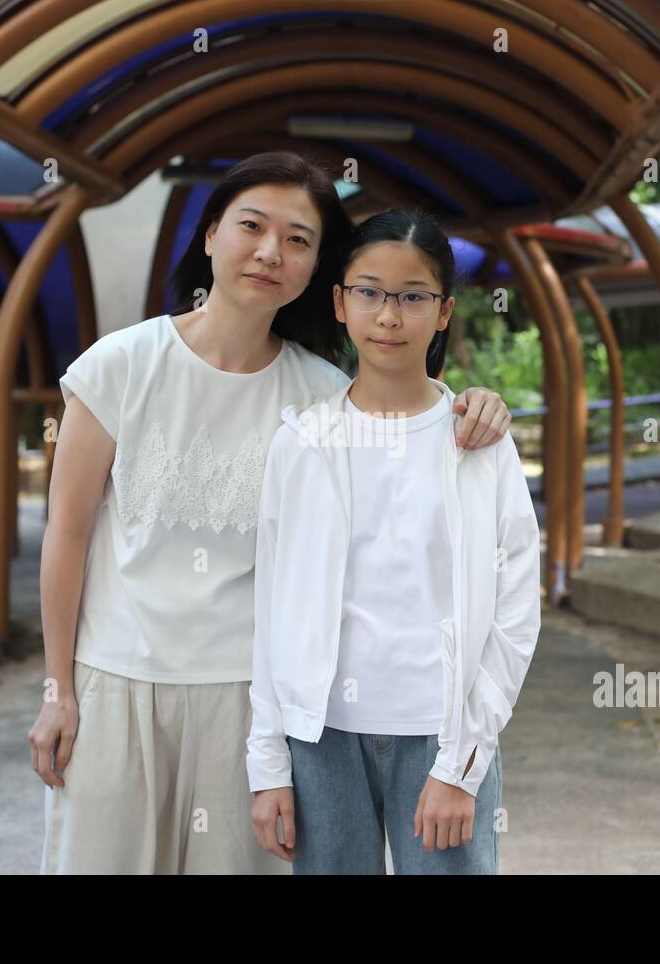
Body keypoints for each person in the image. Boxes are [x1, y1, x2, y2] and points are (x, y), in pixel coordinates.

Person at [30, 152, 514, 875]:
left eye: (298, 240)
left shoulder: (320, 394)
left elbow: (409, 429)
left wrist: (479, 406)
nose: (269, 252)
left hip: (248, 707)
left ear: (319, 269)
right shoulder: (118, 366)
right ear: (210, 235)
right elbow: (65, 536)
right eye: (251, 226)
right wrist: (57, 690)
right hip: (115, 687)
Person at [246, 209, 541, 874]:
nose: (388, 315)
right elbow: (271, 610)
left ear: (442, 312)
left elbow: (517, 610)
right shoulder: (301, 445)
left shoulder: (478, 442)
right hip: (320, 739)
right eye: (369, 291)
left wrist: (462, 764)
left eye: (412, 297)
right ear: (340, 301)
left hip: (440, 733)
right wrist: (267, 761)